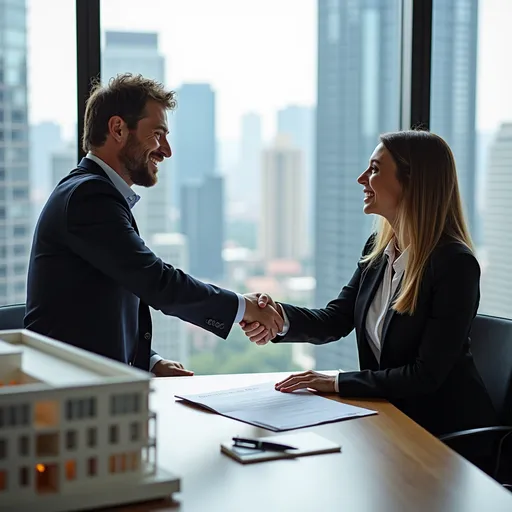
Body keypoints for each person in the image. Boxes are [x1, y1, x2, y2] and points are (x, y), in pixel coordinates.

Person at [24, 73, 283, 377]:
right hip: (71, 399)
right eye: (158, 134)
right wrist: (242, 307)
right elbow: (156, 281)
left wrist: (150, 361)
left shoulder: (94, 194)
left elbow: (96, 308)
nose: (166, 150)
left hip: (92, 388)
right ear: (118, 128)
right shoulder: (88, 197)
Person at [241, 130, 497, 436]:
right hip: (390, 419)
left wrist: (334, 383)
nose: (362, 179)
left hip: (444, 434)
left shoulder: (455, 265)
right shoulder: (377, 249)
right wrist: (278, 316)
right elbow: (336, 320)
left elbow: (424, 376)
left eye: (374, 170)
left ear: (413, 182)